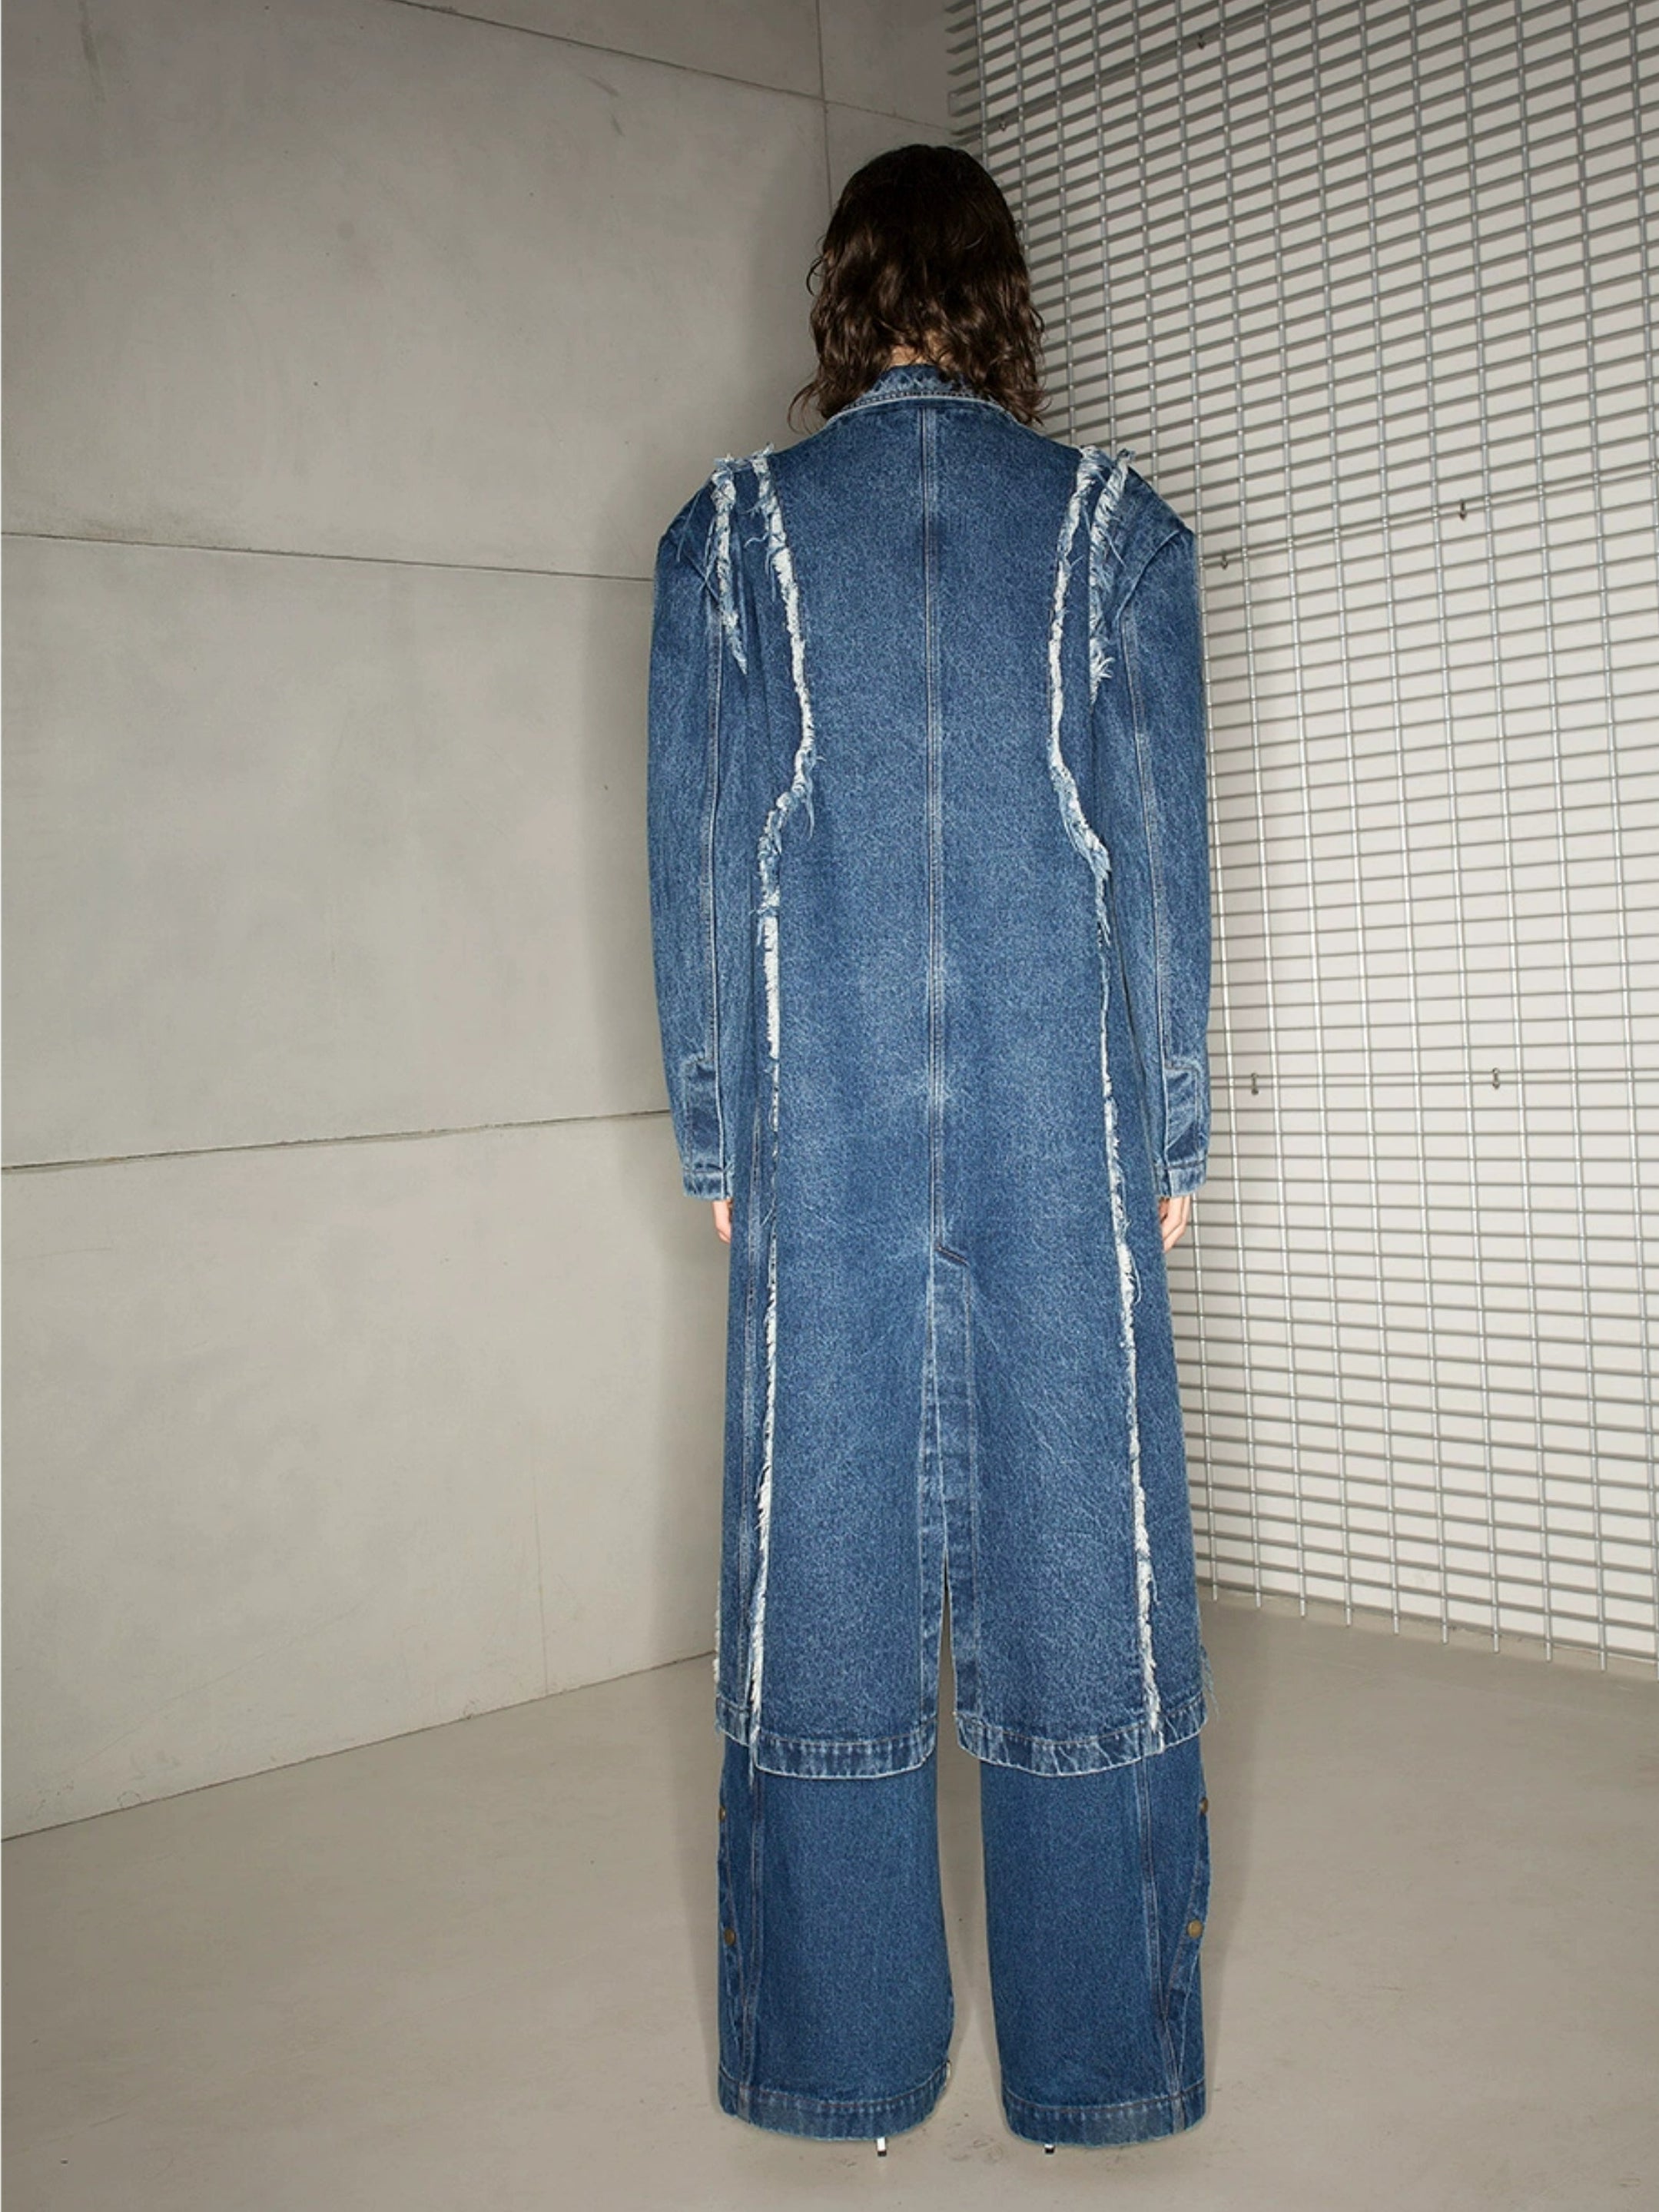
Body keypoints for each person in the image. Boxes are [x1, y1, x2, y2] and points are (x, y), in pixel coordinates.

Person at [645, 141, 1215, 2153]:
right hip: (1068, 1124)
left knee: (820, 1572)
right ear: (1000, 302)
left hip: (826, 1126)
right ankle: (1099, 2074)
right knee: (1090, 1571)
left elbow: (702, 869)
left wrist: (717, 1129)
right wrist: (1170, 1127)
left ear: (841, 298)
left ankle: (843, 2063)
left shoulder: (734, 537)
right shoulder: (1116, 531)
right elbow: (1160, 868)